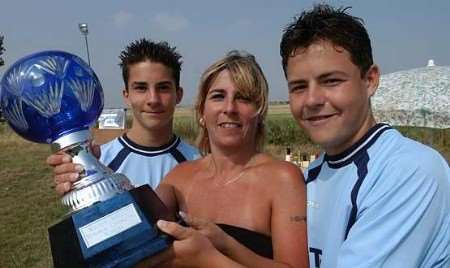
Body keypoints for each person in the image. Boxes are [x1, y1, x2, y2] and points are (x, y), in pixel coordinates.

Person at [52, 51, 309, 267]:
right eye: (218, 96)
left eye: (243, 98)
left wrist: (220, 249)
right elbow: (135, 234)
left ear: (259, 111)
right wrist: (92, 175)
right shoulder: (180, 177)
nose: (229, 108)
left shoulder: (283, 177)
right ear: (202, 110)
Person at [279, 4, 450, 267]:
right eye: (299, 87)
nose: (312, 99)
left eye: (331, 81)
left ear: (370, 80)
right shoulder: (310, 175)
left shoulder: (409, 171)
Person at [48, 38, 199, 191]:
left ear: (178, 95)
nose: (153, 99)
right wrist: (77, 185)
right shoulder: (98, 163)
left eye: (163, 88)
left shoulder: (198, 163)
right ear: (126, 95)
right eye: (141, 88)